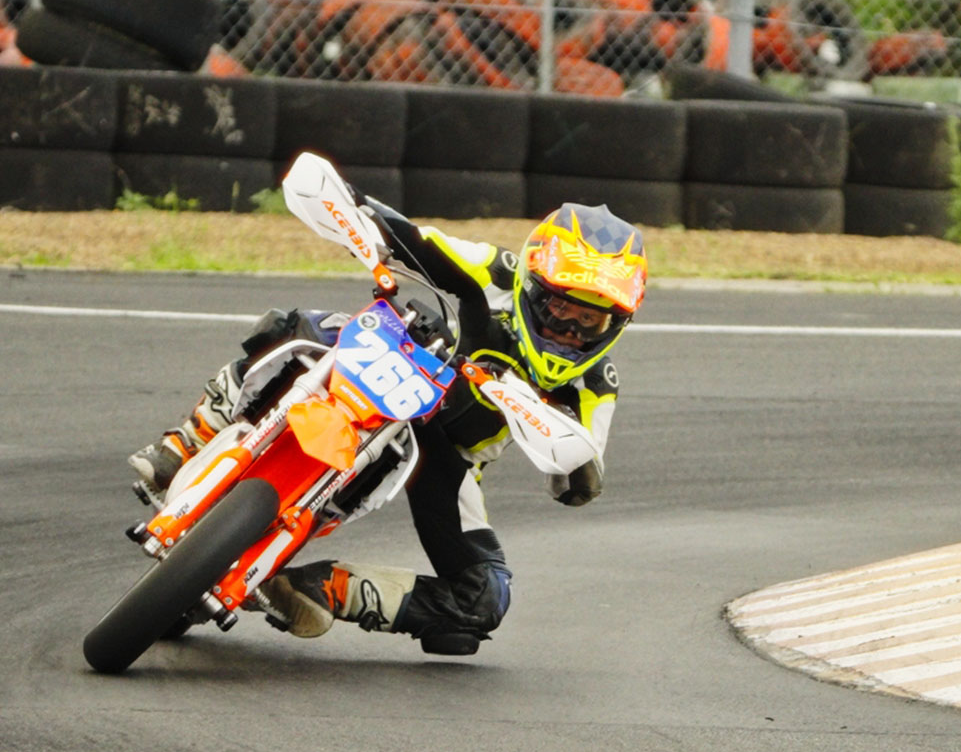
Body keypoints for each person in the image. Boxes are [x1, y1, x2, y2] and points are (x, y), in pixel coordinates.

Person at [129, 194, 649, 656]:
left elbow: (577, 481)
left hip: (447, 456)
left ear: (616, 325)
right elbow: (416, 240)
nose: (569, 328)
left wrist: (568, 453)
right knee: (304, 327)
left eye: (591, 320)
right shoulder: (497, 271)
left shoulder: (595, 383)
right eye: (560, 307)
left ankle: (322, 589)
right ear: (533, 286)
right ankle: (186, 441)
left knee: (485, 596)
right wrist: (356, 208)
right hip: (404, 365)